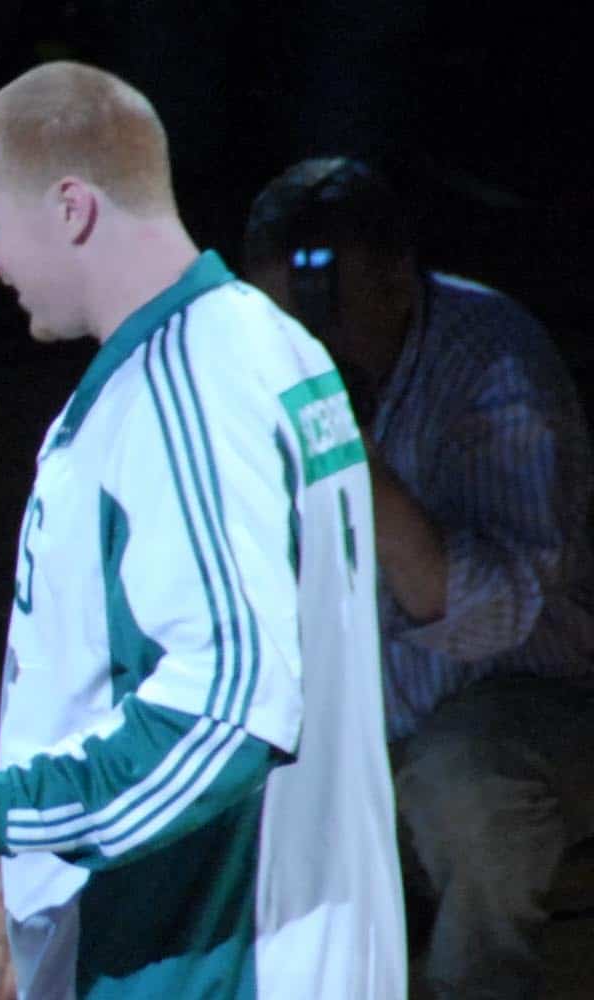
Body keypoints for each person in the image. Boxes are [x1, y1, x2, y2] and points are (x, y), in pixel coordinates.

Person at [0, 61, 405, 998]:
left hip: (216, 962)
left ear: (72, 206)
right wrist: (26, 854)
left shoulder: (189, 392)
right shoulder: (264, 344)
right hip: (282, 933)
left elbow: (227, 711)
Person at [243, 156, 594, 999]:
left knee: (464, 787)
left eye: (324, 312)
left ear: (398, 280)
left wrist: (351, 449)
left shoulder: (495, 372)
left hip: (527, 712)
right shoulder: (260, 367)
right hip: (368, 713)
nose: (305, 344)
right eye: (282, 318)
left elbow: (474, 614)